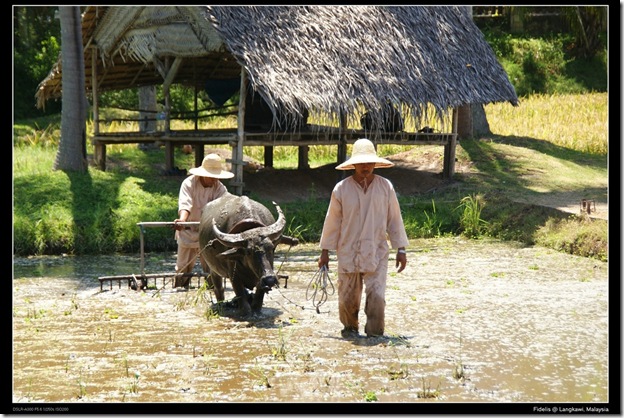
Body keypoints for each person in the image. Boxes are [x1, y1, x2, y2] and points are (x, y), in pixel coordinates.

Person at [317, 138, 409, 339]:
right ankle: (350, 330)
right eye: (362, 163)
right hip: (348, 250)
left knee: (377, 296)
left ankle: (375, 334)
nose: (366, 166)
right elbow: (332, 222)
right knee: (347, 300)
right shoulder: (341, 189)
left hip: (377, 250)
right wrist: (325, 253)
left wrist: (400, 249)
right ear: (354, 164)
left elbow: (394, 219)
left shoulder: (386, 187)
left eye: (369, 162)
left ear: (375, 163)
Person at [172, 153, 234, 289]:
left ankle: (214, 292)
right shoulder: (189, 184)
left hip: (208, 233)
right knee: (182, 269)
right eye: (211, 176)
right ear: (203, 174)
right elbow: (185, 204)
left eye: (216, 176)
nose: (214, 179)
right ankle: (180, 289)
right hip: (188, 230)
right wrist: (182, 221)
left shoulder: (220, 188)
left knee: (212, 268)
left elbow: (222, 208)